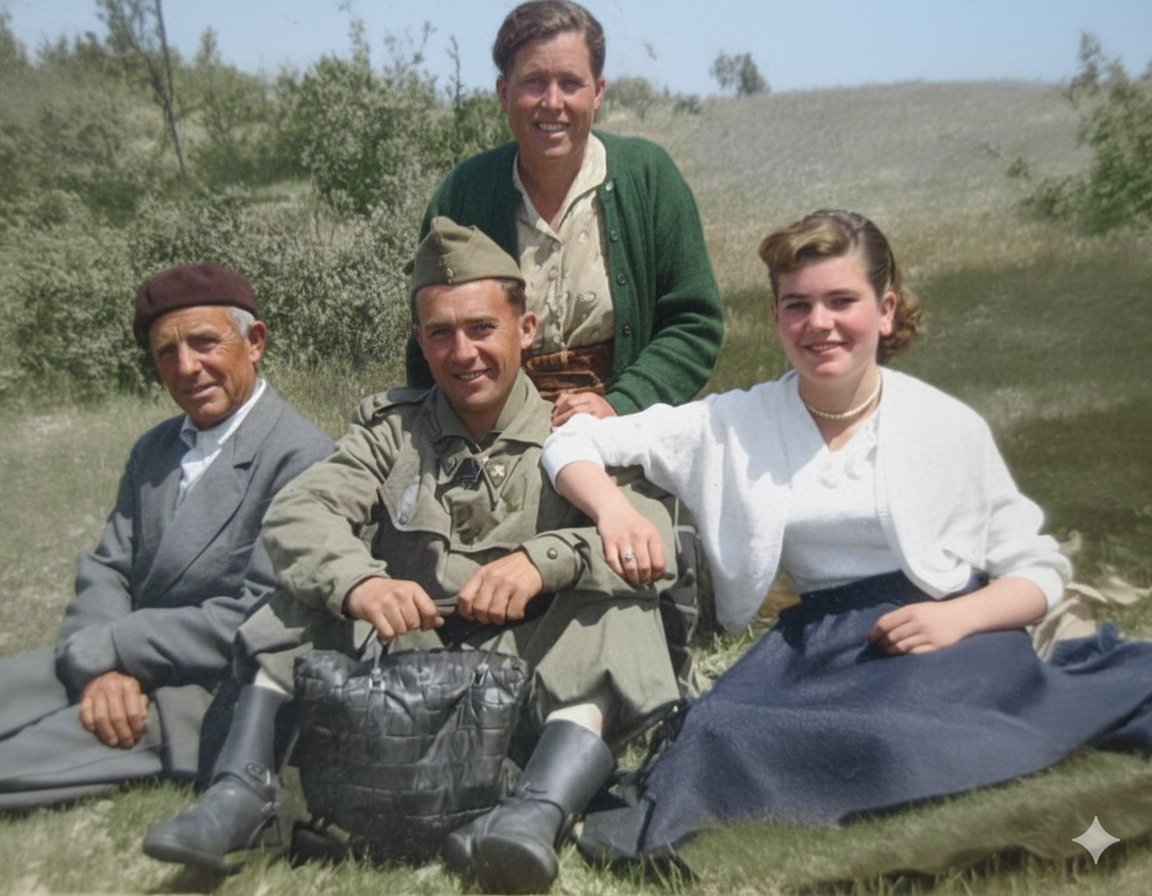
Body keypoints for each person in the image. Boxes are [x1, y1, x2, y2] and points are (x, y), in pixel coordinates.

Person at [541, 209, 1152, 861]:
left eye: (842, 301)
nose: (819, 323)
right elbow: (573, 441)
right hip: (818, 643)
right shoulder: (734, 423)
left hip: (945, 635)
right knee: (720, 731)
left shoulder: (944, 425)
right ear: (776, 317)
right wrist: (614, 509)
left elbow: (1038, 569)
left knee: (903, 738)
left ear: (885, 311)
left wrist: (961, 617)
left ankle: (936, 753)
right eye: (797, 305)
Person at [142, 218, 681, 893]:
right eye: (440, 333)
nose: (463, 352)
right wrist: (361, 584)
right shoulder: (389, 433)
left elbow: (652, 539)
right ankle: (240, 793)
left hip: (531, 675)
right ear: (420, 343)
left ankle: (535, 813)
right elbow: (299, 513)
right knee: (305, 592)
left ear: (526, 328)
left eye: (481, 328)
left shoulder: (577, 434)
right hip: (405, 666)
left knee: (618, 608)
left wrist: (542, 561)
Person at [0, 263, 333, 810]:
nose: (187, 367)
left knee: (25, 757)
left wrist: (119, 649)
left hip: (210, 689)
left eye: (204, 343)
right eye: (166, 353)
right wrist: (102, 664)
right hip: (119, 659)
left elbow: (259, 613)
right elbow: (109, 567)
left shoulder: (303, 456)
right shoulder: (154, 449)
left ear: (255, 342)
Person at [407, 0, 724, 428]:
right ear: (503, 93)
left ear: (598, 91)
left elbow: (694, 323)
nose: (552, 102)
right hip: (492, 435)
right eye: (534, 82)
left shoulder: (649, 178)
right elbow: (430, 339)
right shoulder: (464, 193)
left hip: (626, 428)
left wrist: (623, 404)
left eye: (570, 83)